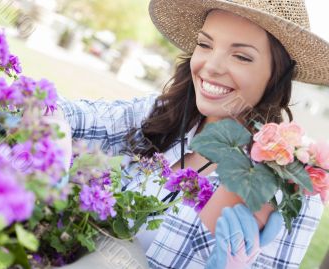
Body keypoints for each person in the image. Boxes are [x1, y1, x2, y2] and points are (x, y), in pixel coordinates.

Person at [52, 0, 329, 268]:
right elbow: (59, 111)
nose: (211, 66)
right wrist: (56, 142)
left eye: (241, 56)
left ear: (277, 74)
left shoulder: (288, 188)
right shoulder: (160, 116)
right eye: (205, 44)